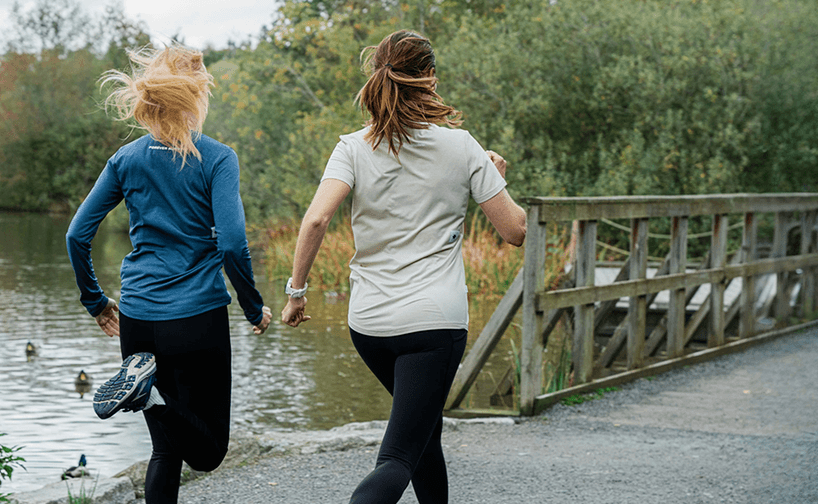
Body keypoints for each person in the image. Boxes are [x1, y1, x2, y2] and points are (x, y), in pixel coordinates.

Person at [279, 30, 527, 504]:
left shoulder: (352, 146)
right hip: (434, 323)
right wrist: (491, 172)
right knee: (398, 456)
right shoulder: (463, 146)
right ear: (430, 79)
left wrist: (297, 292)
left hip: (370, 325)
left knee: (422, 433)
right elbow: (514, 230)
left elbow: (316, 219)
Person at [65, 45, 271, 504]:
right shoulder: (217, 158)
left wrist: (96, 302)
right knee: (210, 451)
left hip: (138, 320)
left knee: (166, 449)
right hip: (197, 317)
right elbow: (234, 244)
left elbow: (76, 236)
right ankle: (149, 396)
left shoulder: (127, 158)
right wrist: (253, 307)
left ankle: (144, 391)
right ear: (197, 95)